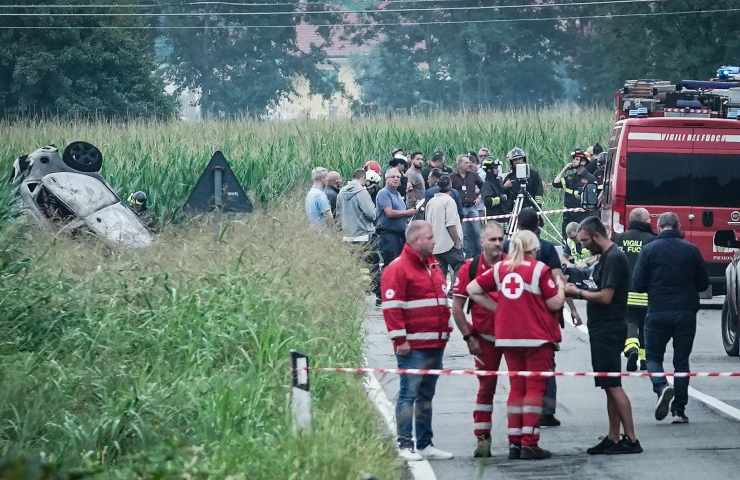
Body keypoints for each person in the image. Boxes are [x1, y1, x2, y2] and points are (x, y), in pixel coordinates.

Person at [467, 230, 565, 460]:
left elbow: (473, 289)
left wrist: (499, 308)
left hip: (508, 337)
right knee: (534, 389)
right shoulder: (539, 269)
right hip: (536, 337)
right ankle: (529, 441)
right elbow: (554, 303)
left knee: (517, 388)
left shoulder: (501, 268)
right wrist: (560, 286)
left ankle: (515, 442)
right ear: (535, 248)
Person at [565, 216, 643, 455]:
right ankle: (613, 436)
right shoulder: (606, 257)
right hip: (603, 328)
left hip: (609, 328)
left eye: (586, 240)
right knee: (608, 385)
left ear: (597, 235)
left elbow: (606, 296)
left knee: (614, 385)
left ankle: (631, 439)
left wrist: (576, 293)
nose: (584, 245)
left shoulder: (614, 258)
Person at [381, 220, 454, 461]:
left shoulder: (432, 265)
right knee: (408, 395)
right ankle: (404, 444)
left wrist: (446, 326)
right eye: (430, 237)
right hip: (413, 346)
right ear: (416, 240)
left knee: (425, 396)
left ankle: (424, 443)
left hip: (435, 343)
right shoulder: (398, 269)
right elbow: (392, 307)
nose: (434, 241)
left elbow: (440, 298)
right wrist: (400, 340)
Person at [632, 212, 709, 424]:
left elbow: (637, 284)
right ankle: (679, 410)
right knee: (681, 361)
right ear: (678, 226)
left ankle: (661, 386)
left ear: (658, 226)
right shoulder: (691, 250)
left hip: (657, 311)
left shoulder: (648, 250)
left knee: (653, 358)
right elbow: (703, 284)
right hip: (685, 313)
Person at [507, 208, 571, 427]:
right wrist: (569, 306)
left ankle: (521, 411)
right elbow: (558, 278)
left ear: (517, 223)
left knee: (518, 367)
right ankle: (546, 410)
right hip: (544, 314)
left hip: (515, 316)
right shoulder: (547, 248)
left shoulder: (509, 247)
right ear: (539, 224)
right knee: (546, 364)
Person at [451, 222, 505, 457]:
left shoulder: (512, 265)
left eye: (500, 239)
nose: (497, 244)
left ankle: (522, 440)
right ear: (482, 241)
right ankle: (482, 438)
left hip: (513, 339)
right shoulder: (469, 269)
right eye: (492, 239)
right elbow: (457, 308)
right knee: (486, 389)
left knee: (522, 388)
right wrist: (468, 336)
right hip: (484, 338)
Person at [614, 208, 656, 372]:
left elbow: (614, 263)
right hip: (645, 293)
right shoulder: (652, 240)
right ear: (645, 221)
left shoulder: (620, 239)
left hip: (625, 292)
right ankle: (644, 359)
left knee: (630, 322)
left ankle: (632, 349)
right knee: (645, 325)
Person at [337, 168, 379, 299]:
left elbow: (338, 214)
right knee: (371, 265)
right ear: (363, 178)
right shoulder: (362, 192)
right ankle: (376, 294)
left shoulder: (341, 192)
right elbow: (372, 214)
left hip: (347, 235)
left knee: (354, 265)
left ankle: (356, 293)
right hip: (363, 234)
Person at [376, 168, 416, 280]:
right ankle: (385, 291)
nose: (396, 179)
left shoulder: (397, 194)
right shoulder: (384, 193)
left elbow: (401, 212)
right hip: (388, 234)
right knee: (391, 264)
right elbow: (389, 213)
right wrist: (407, 212)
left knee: (401, 264)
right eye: (393, 177)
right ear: (386, 179)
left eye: (398, 177)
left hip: (400, 234)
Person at [425, 175, 464, 286]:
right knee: (460, 267)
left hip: (435, 245)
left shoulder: (431, 202)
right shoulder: (449, 201)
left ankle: (440, 295)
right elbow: (451, 224)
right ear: (450, 186)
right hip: (449, 243)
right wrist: (456, 242)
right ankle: (454, 291)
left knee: (439, 274)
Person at [552, 149, 596, 239]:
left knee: (581, 241)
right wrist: (565, 169)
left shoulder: (590, 179)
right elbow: (555, 183)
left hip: (582, 216)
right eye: (573, 159)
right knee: (566, 241)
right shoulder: (570, 177)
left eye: (576, 159)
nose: (573, 161)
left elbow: (593, 199)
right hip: (568, 216)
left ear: (583, 162)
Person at [451, 154, 483, 258]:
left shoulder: (473, 175)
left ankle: (480, 256)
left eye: (469, 162)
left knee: (477, 232)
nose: (469, 164)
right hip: (460, 209)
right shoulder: (452, 177)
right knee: (464, 234)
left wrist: (479, 197)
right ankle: (468, 257)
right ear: (459, 164)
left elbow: (484, 186)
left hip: (472, 207)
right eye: (466, 162)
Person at [502, 147, 544, 211]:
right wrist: (505, 186)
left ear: (524, 159)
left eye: (520, 159)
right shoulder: (509, 177)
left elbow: (539, 192)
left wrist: (538, 207)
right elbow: (502, 194)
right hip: (515, 209)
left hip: (531, 208)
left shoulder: (533, 174)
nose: (518, 161)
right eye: (515, 160)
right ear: (512, 162)